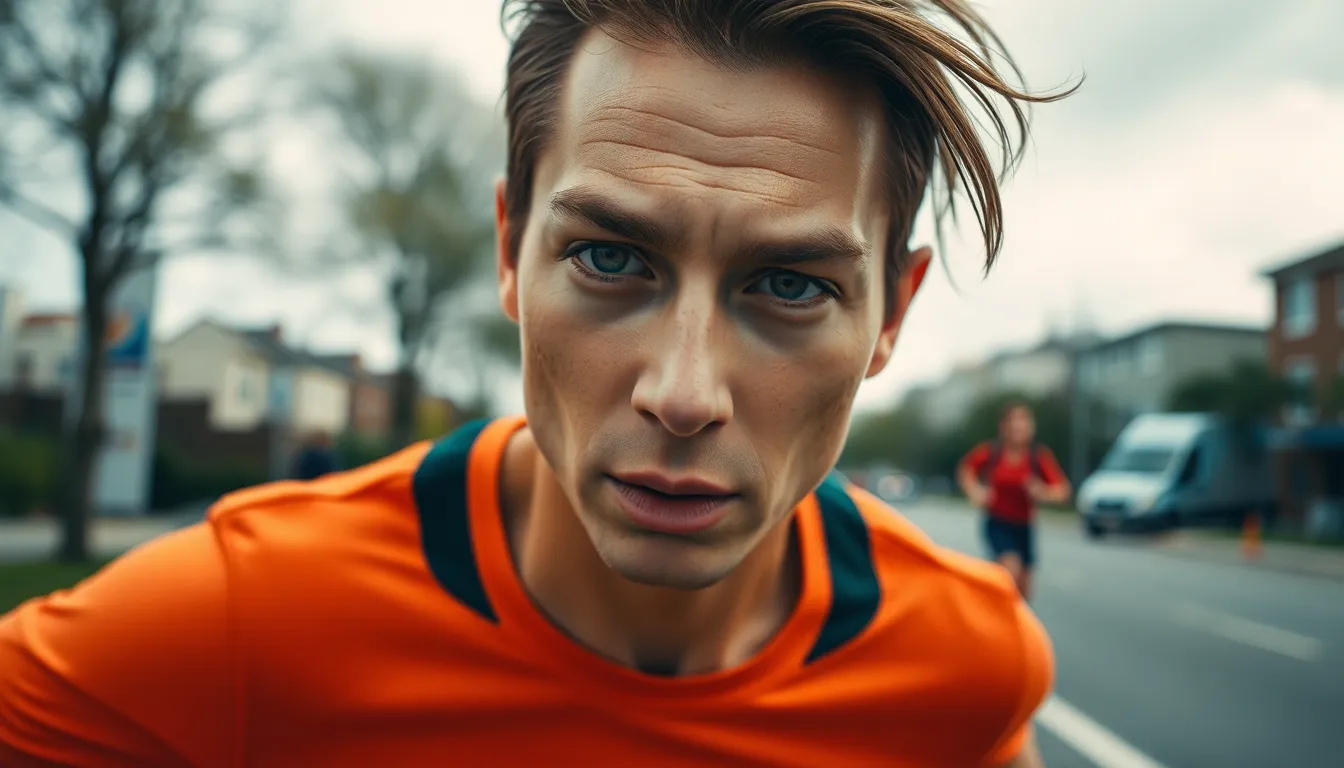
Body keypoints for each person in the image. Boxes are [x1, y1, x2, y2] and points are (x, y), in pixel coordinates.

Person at [0, 1, 1072, 765]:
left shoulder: (967, 668)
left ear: (893, 309)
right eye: (610, 258)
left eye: (789, 283)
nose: (685, 393)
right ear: (512, 250)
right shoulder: (233, 623)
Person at [958, 402, 1072, 601]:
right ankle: (1000, 624)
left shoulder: (1038, 457)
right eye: (1013, 422)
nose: (1018, 427)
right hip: (998, 522)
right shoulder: (991, 452)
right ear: (1003, 427)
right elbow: (966, 470)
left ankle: (1012, 624)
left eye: (1023, 421)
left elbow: (1062, 491)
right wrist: (975, 491)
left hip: (1025, 526)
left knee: (1024, 592)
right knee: (1010, 570)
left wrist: (1042, 492)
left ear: (1031, 426)